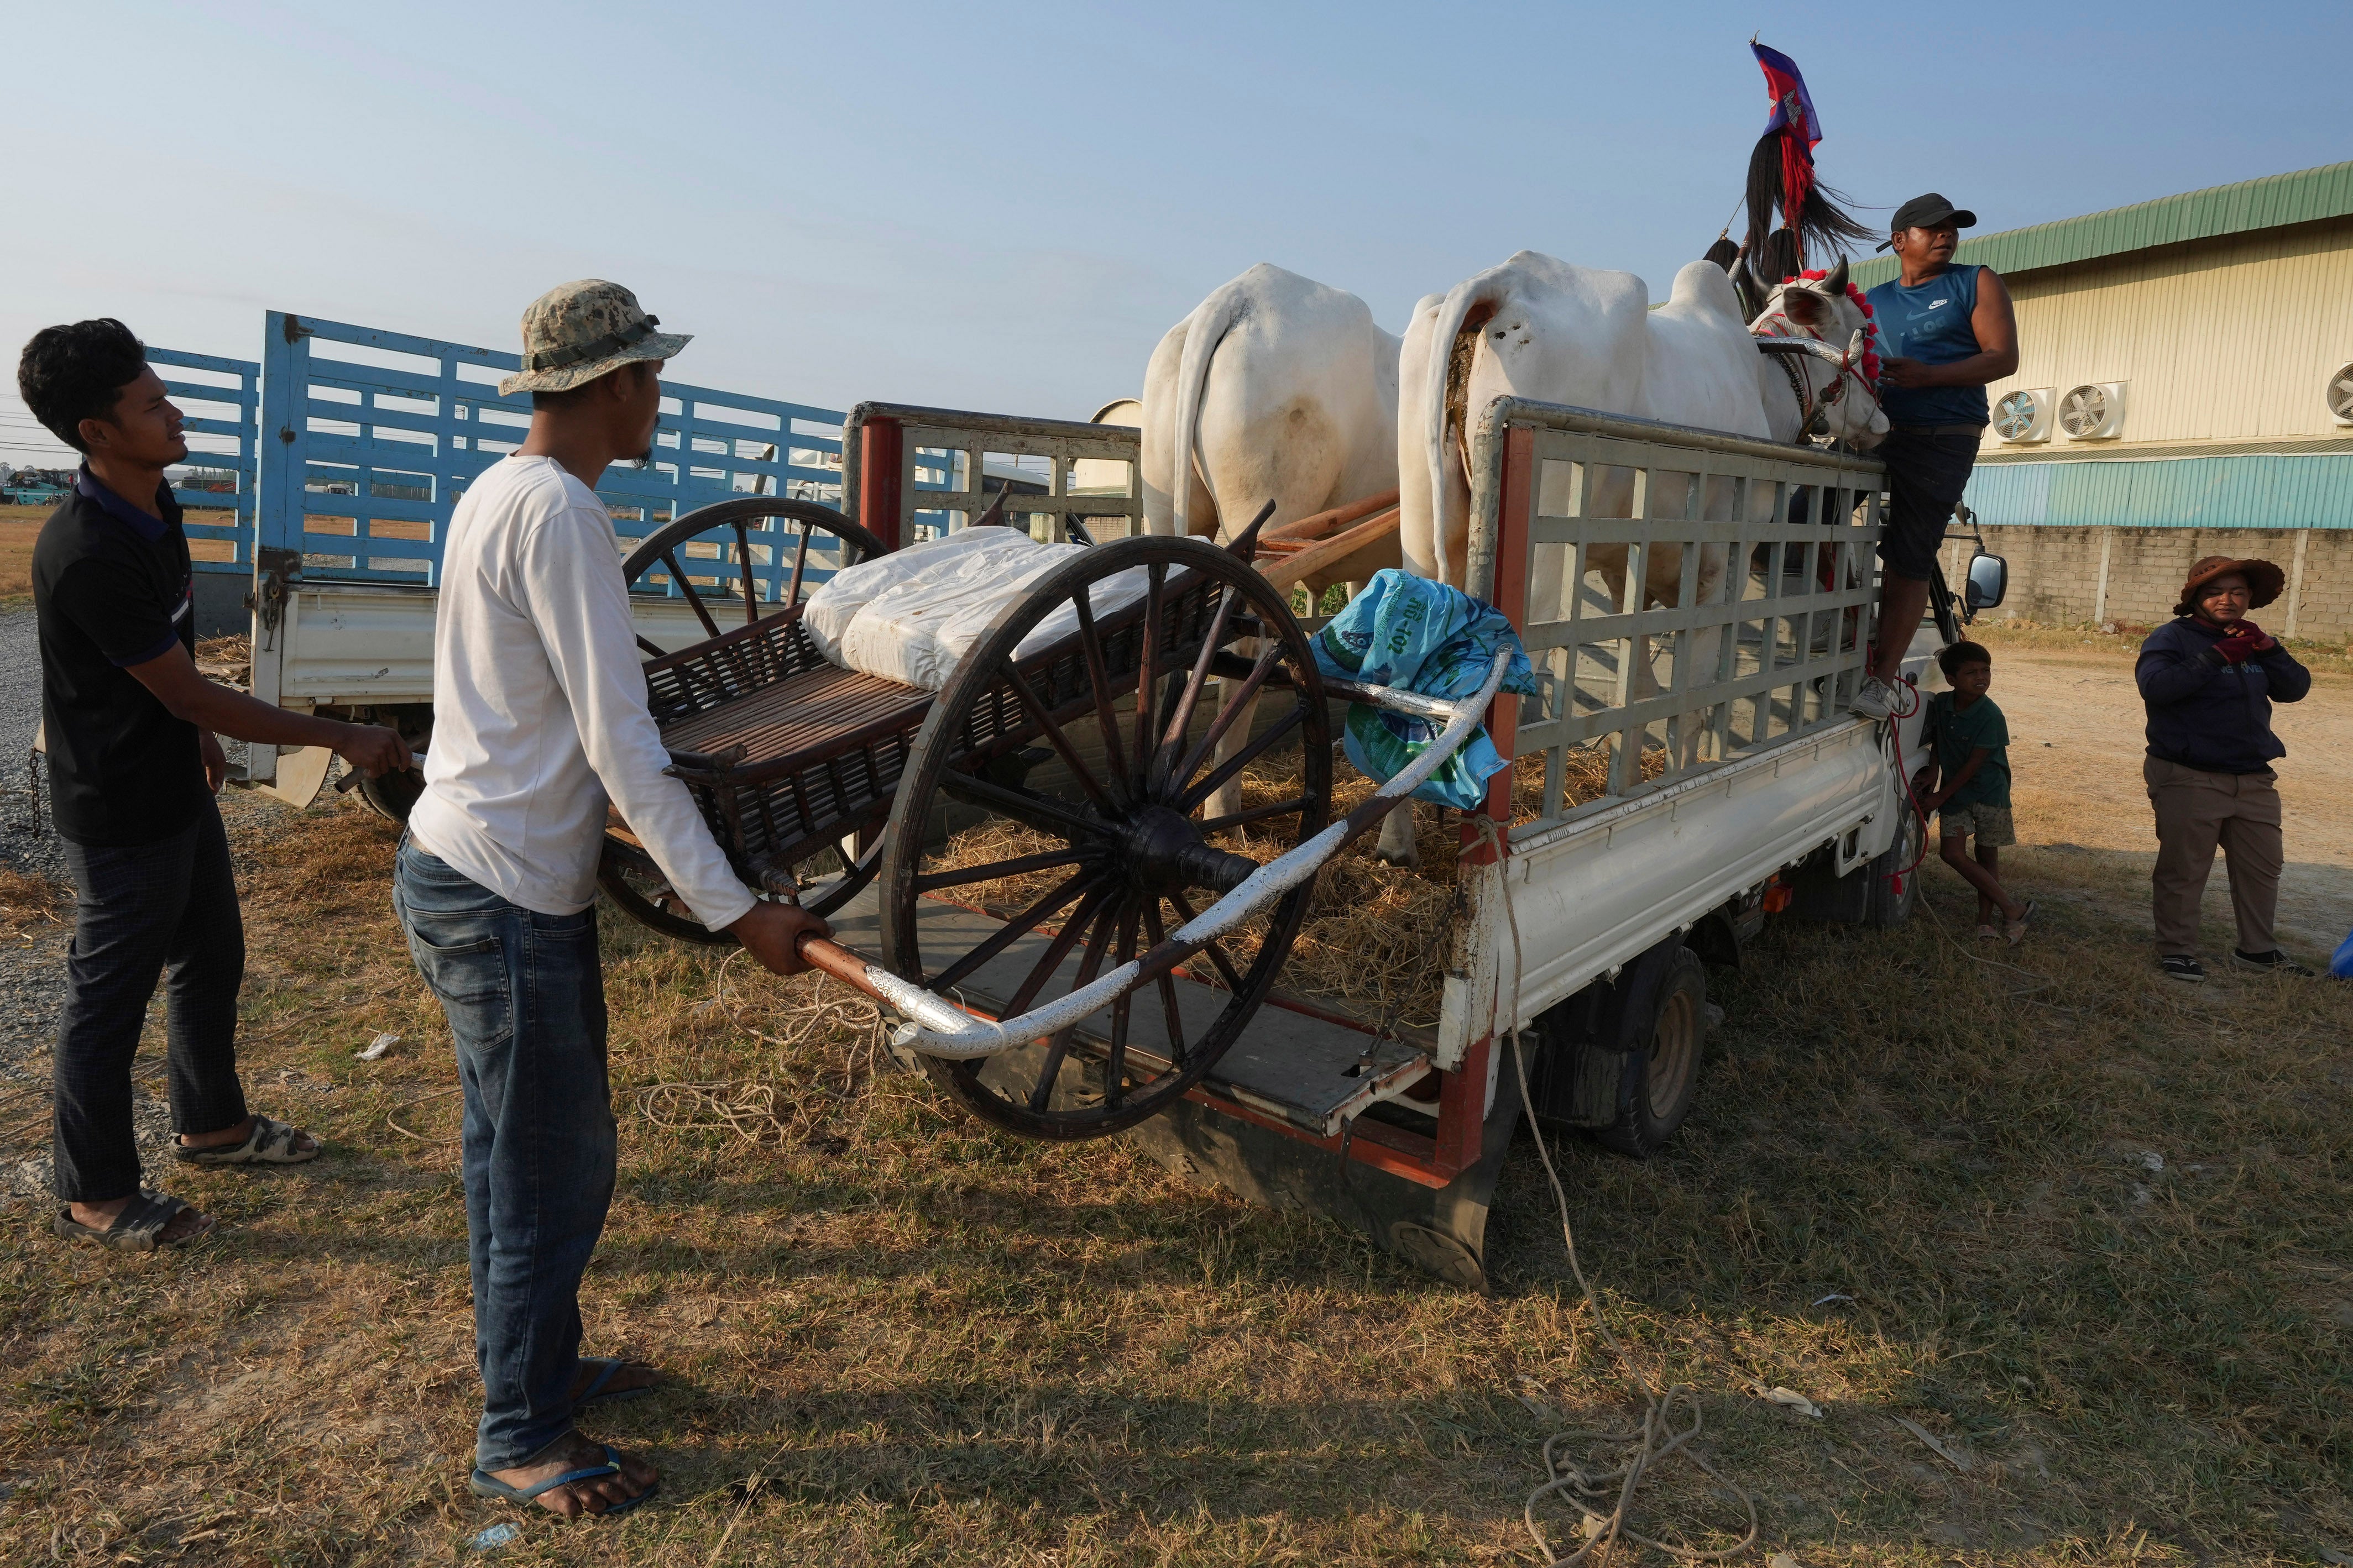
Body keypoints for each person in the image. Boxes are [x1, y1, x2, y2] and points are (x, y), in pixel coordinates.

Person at [394, 280, 828, 1519]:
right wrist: (736, 908)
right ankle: (521, 1433)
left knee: (506, 1153)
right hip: (504, 892)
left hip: (457, 860)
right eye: (649, 375)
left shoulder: (495, 490)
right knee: (553, 1167)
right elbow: (621, 740)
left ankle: (531, 1367)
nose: (659, 395)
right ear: (609, 388)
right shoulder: (567, 516)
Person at [19, 319, 411, 1254]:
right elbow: (190, 684)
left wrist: (195, 734)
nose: (176, 412)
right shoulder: (84, 551)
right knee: (108, 999)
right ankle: (96, 1192)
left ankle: (212, 1127)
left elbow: (177, 654)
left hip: (173, 783)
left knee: (211, 957)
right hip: (117, 806)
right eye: (152, 405)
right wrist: (341, 734)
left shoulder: (158, 506)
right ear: (98, 431)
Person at [1852, 194, 2019, 720]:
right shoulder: (1869, 301)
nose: (1947, 236)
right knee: (1800, 516)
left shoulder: (1975, 281)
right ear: (1900, 241)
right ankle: (1830, 623)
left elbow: (2003, 358)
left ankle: (1879, 682)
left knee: (1910, 552)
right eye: (1932, 229)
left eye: (1952, 229)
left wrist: (1929, 377)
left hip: (1943, 434)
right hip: (1871, 428)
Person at [2136, 556, 2313, 982]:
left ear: (2250, 598)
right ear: (2195, 596)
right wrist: (2215, 657)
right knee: (2185, 868)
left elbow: (2296, 688)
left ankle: (2258, 949)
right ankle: (2177, 949)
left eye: (2238, 591)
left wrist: (2268, 648)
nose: (2227, 599)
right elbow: (2156, 688)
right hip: (2189, 774)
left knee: (2262, 867)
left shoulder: (2252, 640)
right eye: (2215, 591)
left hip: (2253, 777)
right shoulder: (2172, 638)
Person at [1913, 641, 2035, 945]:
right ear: (1952, 680)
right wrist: (1933, 768)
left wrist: (1941, 795)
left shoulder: (1991, 716)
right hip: (1958, 793)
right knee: (1951, 854)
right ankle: (2013, 908)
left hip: (1989, 794)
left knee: (1986, 855)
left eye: (1986, 671)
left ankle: (1986, 922)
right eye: (1971, 673)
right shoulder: (1942, 704)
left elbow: (1973, 765)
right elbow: (1941, 740)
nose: (1981, 678)